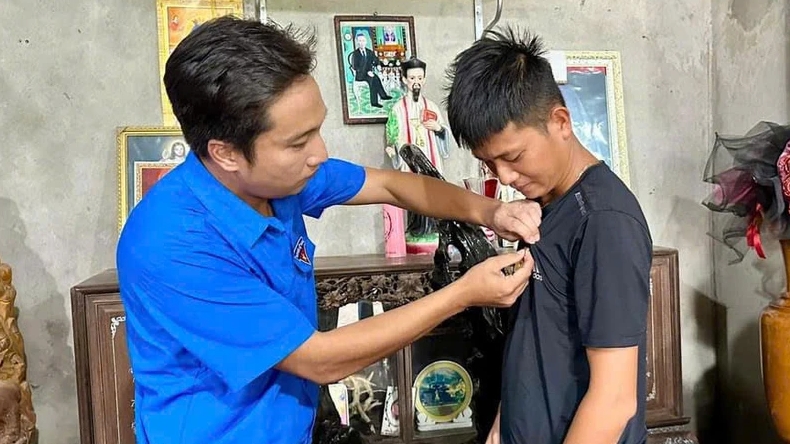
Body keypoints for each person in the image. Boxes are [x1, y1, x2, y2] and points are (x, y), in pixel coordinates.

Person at [115, 16, 541, 444]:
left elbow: (390, 184)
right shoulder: (171, 246)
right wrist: (463, 293)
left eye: (317, 130)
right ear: (226, 154)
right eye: (298, 143)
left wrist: (492, 212)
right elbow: (319, 359)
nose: (319, 153)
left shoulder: (277, 181)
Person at [445, 27, 653, 444]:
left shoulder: (604, 222)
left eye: (513, 156)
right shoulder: (543, 205)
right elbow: (536, 335)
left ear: (560, 121)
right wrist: (505, 418)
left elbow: (614, 401)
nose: (504, 176)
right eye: (489, 163)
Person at [385, 56, 451, 254]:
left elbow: (444, 134)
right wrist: (395, 149)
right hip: (410, 163)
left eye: (419, 78)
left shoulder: (432, 107)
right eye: (412, 78)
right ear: (405, 79)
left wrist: (438, 129)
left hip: (430, 159)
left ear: (424, 80)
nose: (416, 82)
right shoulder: (398, 109)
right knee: (414, 196)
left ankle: (433, 230)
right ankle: (416, 230)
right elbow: (392, 136)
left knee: (432, 195)